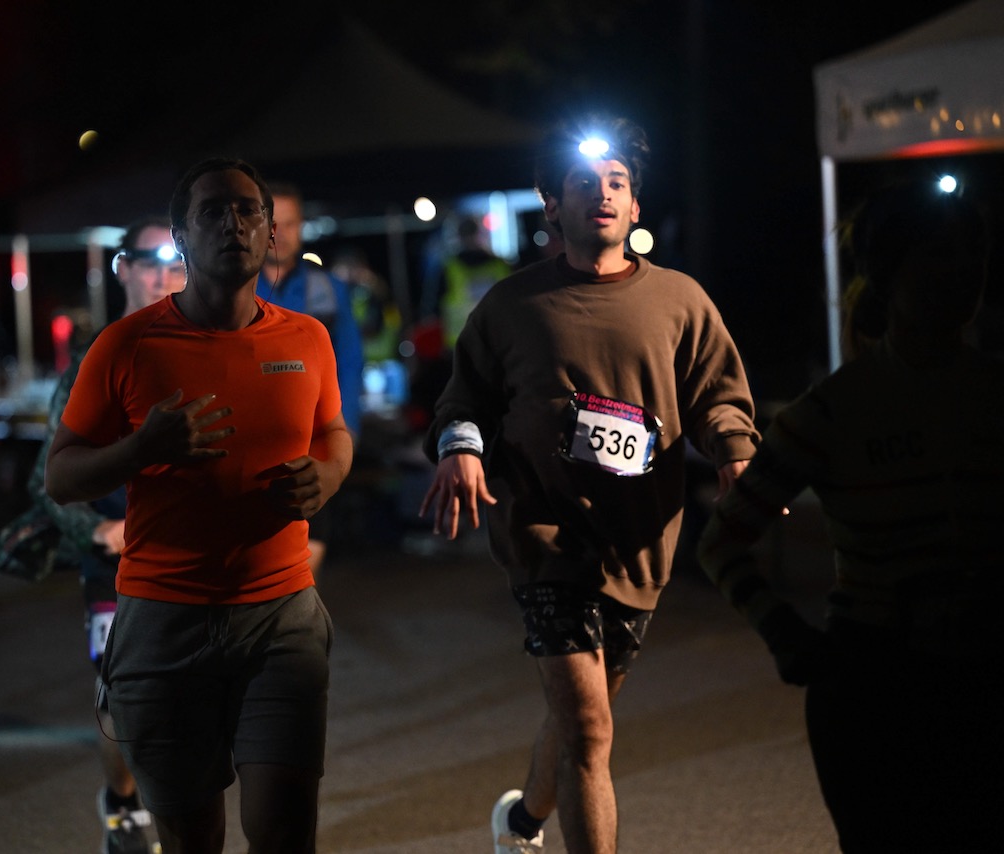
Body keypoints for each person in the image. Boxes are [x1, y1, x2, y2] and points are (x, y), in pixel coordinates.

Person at [419, 115, 758, 854]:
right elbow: (462, 402)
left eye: (616, 184)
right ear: (552, 204)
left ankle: (520, 824)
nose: (601, 195)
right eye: (582, 185)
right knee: (589, 727)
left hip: (638, 540)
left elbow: (718, 398)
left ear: (635, 205)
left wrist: (733, 452)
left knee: (583, 721)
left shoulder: (679, 301)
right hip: (543, 536)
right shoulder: (511, 305)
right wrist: (462, 451)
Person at [45, 157, 352, 854]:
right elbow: (60, 477)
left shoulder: (307, 339)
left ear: (272, 232)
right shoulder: (126, 346)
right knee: (192, 839)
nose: (233, 224)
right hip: (164, 621)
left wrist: (328, 476)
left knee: (284, 832)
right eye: (212, 211)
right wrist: (140, 448)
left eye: (248, 210)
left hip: (281, 617)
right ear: (182, 236)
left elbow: (335, 433)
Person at [697, 181, 1003, 852]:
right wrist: (783, 632)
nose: (962, 273)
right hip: (876, 692)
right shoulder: (832, 412)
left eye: (971, 253)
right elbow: (721, 540)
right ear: (887, 276)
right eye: (937, 254)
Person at [27, 215, 186, 854]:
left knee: (189, 703)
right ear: (123, 270)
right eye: (148, 263)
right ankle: (120, 798)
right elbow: (50, 475)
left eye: (175, 264)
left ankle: (175, 818)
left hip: (188, 554)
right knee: (122, 699)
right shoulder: (94, 359)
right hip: (113, 560)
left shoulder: (207, 345)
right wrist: (96, 529)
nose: (162, 276)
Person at [257, 181, 363, 576]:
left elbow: (349, 361)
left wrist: (346, 430)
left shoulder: (327, 290)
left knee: (303, 568)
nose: (281, 234)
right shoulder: (234, 290)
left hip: (312, 447)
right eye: (273, 223)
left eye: (291, 223)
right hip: (250, 452)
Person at [422, 214, 514, 351]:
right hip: (498, 343)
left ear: (458, 237)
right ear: (481, 234)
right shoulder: (501, 266)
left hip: (462, 344)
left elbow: (432, 310)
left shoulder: (448, 269)